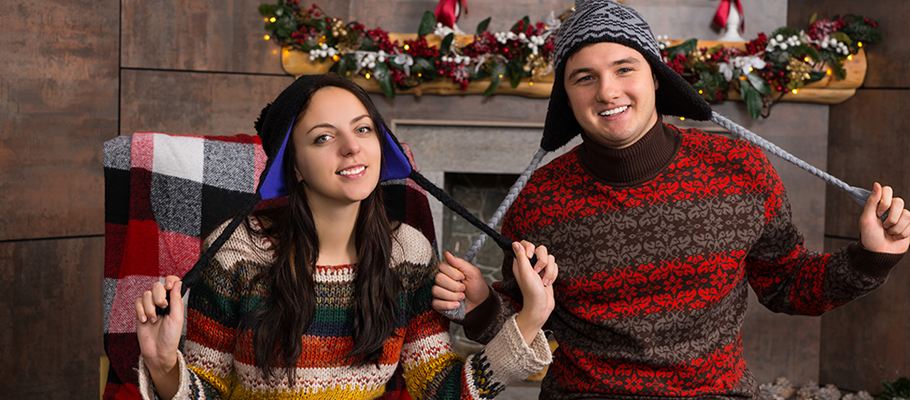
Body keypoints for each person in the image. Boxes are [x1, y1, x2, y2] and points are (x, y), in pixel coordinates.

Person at [432, 0, 910, 398]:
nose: (608, 91)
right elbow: (523, 328)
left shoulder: (739, 168)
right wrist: (479, 304)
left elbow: (787, 284)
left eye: (625, 68)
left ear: (656, 77)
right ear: (567, 96)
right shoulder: (538, 199)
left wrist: (870, 258)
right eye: (584, 78)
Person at [133, 74, 558, 400]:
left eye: (363, 129)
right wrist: (163, 364)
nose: (352, 148)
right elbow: (207, 390)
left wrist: (529, 318)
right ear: (294, 165)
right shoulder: (237, 251)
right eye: (323, 137)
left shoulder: (408, 252)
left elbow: (441, 390)